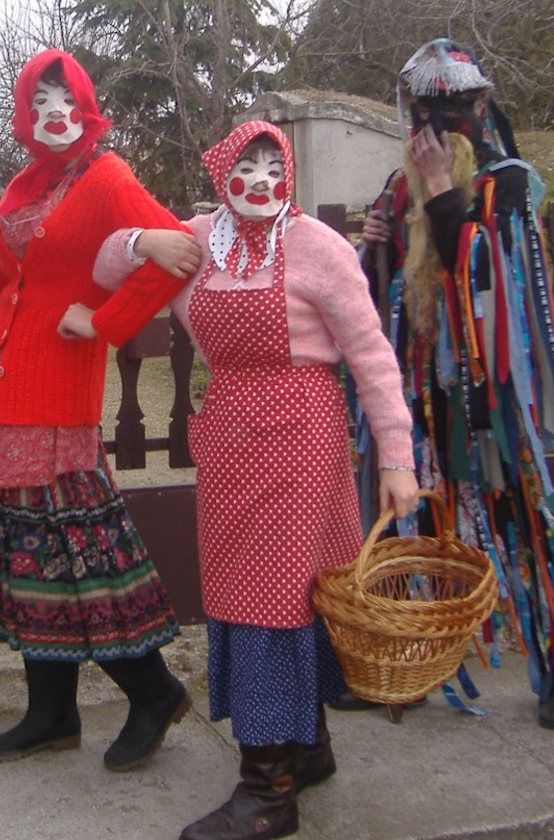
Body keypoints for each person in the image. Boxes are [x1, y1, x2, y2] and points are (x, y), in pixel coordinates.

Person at [69, 120, 419, 840]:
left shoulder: (318, 246)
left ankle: (268, 791)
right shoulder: (197, 240)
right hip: (229, 434)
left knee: (275, 597)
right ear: (223, 170)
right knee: (253, 590)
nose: (260, 180)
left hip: (303, 434)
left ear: (288, 174)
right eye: (247, 165)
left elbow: (373, 357)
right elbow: (102, 266)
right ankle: (308, 749)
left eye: (273, 166)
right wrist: (144, 241)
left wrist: (397, 459)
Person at [0, 48, 197, 773]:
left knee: (76, 550)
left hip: (54, 396)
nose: (54, 110)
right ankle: (51, 714)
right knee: (26, 550)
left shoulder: (108, 177)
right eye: (40, 97)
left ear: (85, 106)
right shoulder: (24, 186)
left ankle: (154, 690)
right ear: (25, 113)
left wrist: (106, 322)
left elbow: (177, 254)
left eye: (66, 96)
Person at [356, 39, 554, 730]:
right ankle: (412, 665)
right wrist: (376, 244)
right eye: (426, 115)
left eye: (455, 112)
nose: (439, 131)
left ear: (480, 109)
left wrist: (443, 197)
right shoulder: (401, 185)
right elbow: (382, 299)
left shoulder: (513, 184)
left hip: (493, 402)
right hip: (425, 400)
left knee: (521, 530)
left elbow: (491, 280)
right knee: (418, 533)